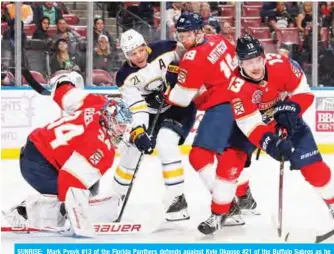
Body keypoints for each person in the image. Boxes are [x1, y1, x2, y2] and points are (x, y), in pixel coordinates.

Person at [219, 34, 334, 233]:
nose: (254, 66)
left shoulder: (281, 64)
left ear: (264, 56)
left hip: (286, 117)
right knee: (234, 157)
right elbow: (249, 124)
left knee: (315, 168)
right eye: (248, 61)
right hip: (256, 123)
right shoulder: (236, 85)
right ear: (239, 63)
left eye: (257, 60)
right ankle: (234, 201)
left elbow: (303, 91)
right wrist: (270, 143)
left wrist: (292, 109)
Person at [2, 71, 133, 237]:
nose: (122, 130)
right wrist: (79, 221)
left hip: (36, 148)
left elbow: (63, 92)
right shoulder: (100, 147)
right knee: (74, 199)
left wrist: (63, 80)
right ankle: (24, 212)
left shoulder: (98, 103)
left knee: (88, 186)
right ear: (109, 120)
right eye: (120, 124)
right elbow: (70, 180)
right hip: (38, 166)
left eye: (124, 125)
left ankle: (38, 210)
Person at [165, 12, 256, 234]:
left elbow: (183, 98)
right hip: (244, 99)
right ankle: (245, 197)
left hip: (224, 105)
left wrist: (165, 93)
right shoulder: (219, 40)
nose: (184, 38)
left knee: (199, 155)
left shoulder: (192, 57)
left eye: (188, 34)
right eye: (181, 34)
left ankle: (228, 207)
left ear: (199, 32)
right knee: (229, 153)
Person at [112, 29, 197, 222]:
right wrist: (139, 131)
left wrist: (181, 76)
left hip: (179, 106)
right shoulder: (124, 77)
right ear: (127, 56)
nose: (139, 56)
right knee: (132, 149)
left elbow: (192, 58)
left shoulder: (166, 48)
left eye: (141, 50)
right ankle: (115, 196)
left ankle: (177, 198)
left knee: (166, 144)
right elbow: (137, 107)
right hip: (150, 114)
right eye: (133, 54)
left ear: (145, 46)